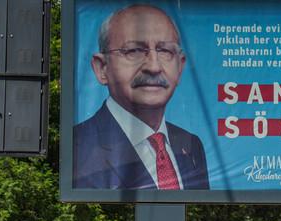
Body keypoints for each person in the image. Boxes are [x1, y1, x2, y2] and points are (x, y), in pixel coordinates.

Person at [73, 4, 209, 190]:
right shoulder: (77, 146)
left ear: (180, 68)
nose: (153, 67)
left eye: (165, 51)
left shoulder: (191, 145)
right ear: (102, 68)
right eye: (135, 50)